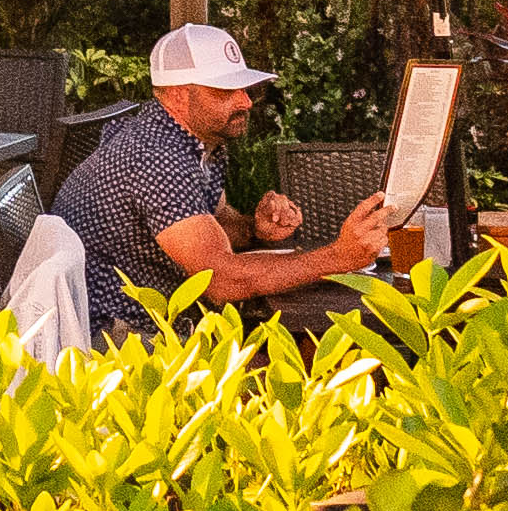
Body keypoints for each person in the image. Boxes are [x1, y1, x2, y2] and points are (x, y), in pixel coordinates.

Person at [46, 22, 395, 345]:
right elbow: (222, 281)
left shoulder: (198, 140)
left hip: (162, 319)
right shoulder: (155, 156)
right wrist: (339, 257)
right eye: (225, 90)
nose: (245, 101)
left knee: (316, 355)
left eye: (244, 88)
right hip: (121, 339)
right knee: (311, 365)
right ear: (180, 95)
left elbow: (210, 223)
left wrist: (253, 228)